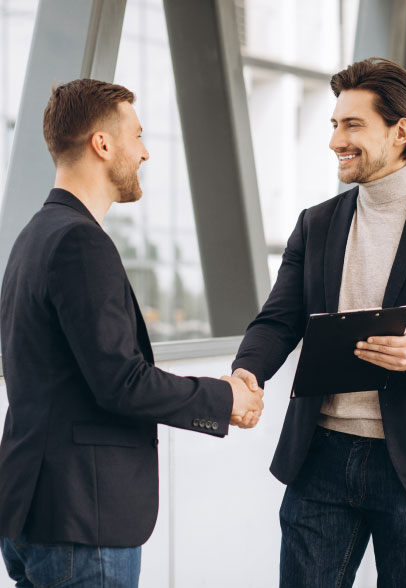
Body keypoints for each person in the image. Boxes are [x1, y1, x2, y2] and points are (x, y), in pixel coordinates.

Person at [0, 79, 263, 588]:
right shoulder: (80, 243)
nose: (144, 152)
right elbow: (121, 381)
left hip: (34, 509)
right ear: (103, 144)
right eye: (138, 136)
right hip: (82, 521)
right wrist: (224, 397)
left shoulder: (32, 237)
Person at [232, 57, 406, 587]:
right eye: (334, 124)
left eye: (351, 124)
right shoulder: (316, 224)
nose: (336, 138)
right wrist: (247, 370)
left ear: (400, 131)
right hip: (320, 460)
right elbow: (277, 320)